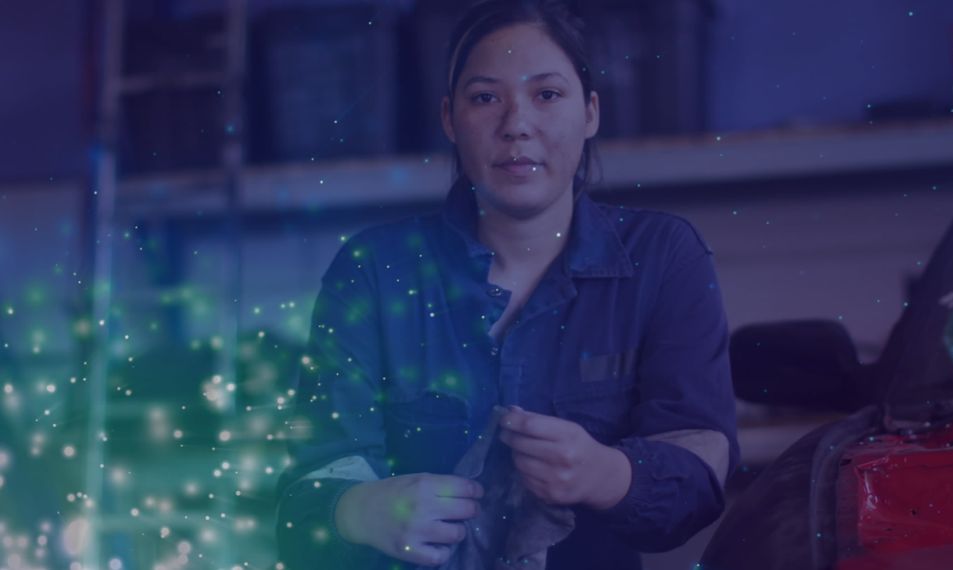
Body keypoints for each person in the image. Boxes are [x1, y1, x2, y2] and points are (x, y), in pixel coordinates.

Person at [275, 1, 739, 568]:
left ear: (590, 112)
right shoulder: (375, 269)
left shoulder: (662, 257)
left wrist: (607, 473)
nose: (517, 124)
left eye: (547, 94)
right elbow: (304, 497)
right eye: (485, 98)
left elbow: (701, 476)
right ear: (450, 119)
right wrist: (357, 510)